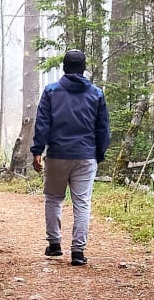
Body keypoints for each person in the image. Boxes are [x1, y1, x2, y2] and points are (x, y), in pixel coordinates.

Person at [30, 47, 109, 266]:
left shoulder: (51, 91)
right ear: (83, 69)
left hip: (57, 154)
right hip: (85, 155)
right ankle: (78, 251)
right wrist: (98, 155)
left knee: (54, 198)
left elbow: (43, 123)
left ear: (64, 68)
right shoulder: (96, 93)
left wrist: (38, 151)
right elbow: (102, 129)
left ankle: (54, 244)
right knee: (82, 203)